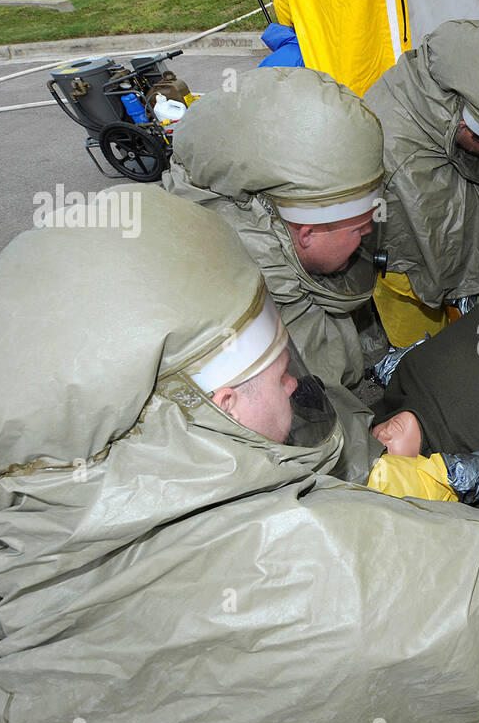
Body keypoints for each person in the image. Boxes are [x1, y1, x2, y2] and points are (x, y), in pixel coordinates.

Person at [0, 185, 479, 723]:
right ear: (220, 404)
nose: (296, 386)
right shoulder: (326, 583)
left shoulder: (36, 568)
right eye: (281, 376)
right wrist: (419, 480)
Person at [164, 66, 386, 482]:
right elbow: (306, 429)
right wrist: (384, 470)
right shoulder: (249, 296)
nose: (369, 235)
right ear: (306, 231)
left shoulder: (275, 248)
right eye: (359, 229)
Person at [363, 19, 479, 347]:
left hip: (465, 251)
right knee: (425, 355)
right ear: (468, 130)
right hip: (407, 276)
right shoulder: (396, 156)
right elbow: (431, 240)